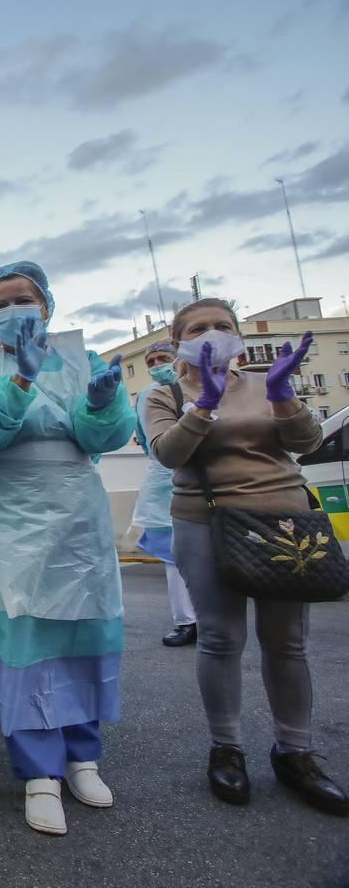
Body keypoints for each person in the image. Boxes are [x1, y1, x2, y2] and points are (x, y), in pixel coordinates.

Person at [0, 261, 133, 836]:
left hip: (76, 506)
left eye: (21, 299)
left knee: (83, 633)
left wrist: (101, 404)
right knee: (22, 640)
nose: (11, 311)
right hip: (7, 512)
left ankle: (83, 757)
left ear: (47, 304)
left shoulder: (84, 359)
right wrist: (20, 382)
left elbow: (105, 435)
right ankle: (38, 773)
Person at [143, 300, 347, 816]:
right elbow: (168, 455)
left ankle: (295, 752)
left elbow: (307, 442)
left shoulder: (265, 382)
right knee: (219, 638)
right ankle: (226, 748)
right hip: (206, 522)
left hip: (286, 523)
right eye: (199, 328)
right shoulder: (165, 393)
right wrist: (204, 406)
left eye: (222, 326)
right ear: (178, 338)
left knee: (288, 642)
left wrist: (284, 396)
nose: (212, 335)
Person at [130, 342, 197, 647]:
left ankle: (216, 619)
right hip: (163, 482)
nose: (157, 364)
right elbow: (146, 440)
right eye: (152, 361)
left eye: (163, 358)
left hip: (201, 479)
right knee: (174, 557)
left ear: (177, 358)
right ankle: (186, 621)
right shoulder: (145, 396)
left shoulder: (195, 389)